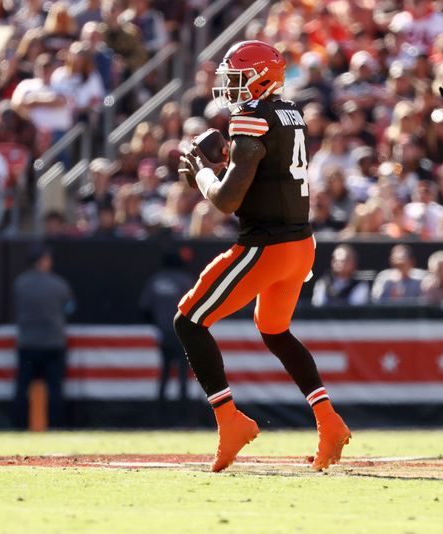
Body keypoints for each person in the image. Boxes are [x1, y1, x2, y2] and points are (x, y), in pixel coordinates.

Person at [176, 41, 350, 473]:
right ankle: (330, 422)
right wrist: (226, 162)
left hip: (266, 247)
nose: (230, 87)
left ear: (262, 77)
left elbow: (228, 200)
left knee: (189, 320)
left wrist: (201, 171)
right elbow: (265, 175)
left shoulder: (251, 119)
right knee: (274, 329)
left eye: (237, 77)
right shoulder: (289, 112)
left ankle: (229, 420)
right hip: (301, 245)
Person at [12, 245, 74, 429]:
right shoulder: (59, 284)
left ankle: (19, 426)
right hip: (53, 343)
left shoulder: (20, 283)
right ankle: (55, 426)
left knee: (23, 389)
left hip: (28, 344)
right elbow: (70, 308)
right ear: (44, 260)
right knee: (55, 389)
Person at [139, 249, 195, 412]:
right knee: (184, 371)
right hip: (182, 333)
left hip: (163, 332)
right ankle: (183, 410)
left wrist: (157, 325)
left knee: (165, 370)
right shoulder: (185, 281)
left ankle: (161, 409)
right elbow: (195, 306)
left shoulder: (155, 281)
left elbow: (144, 307)